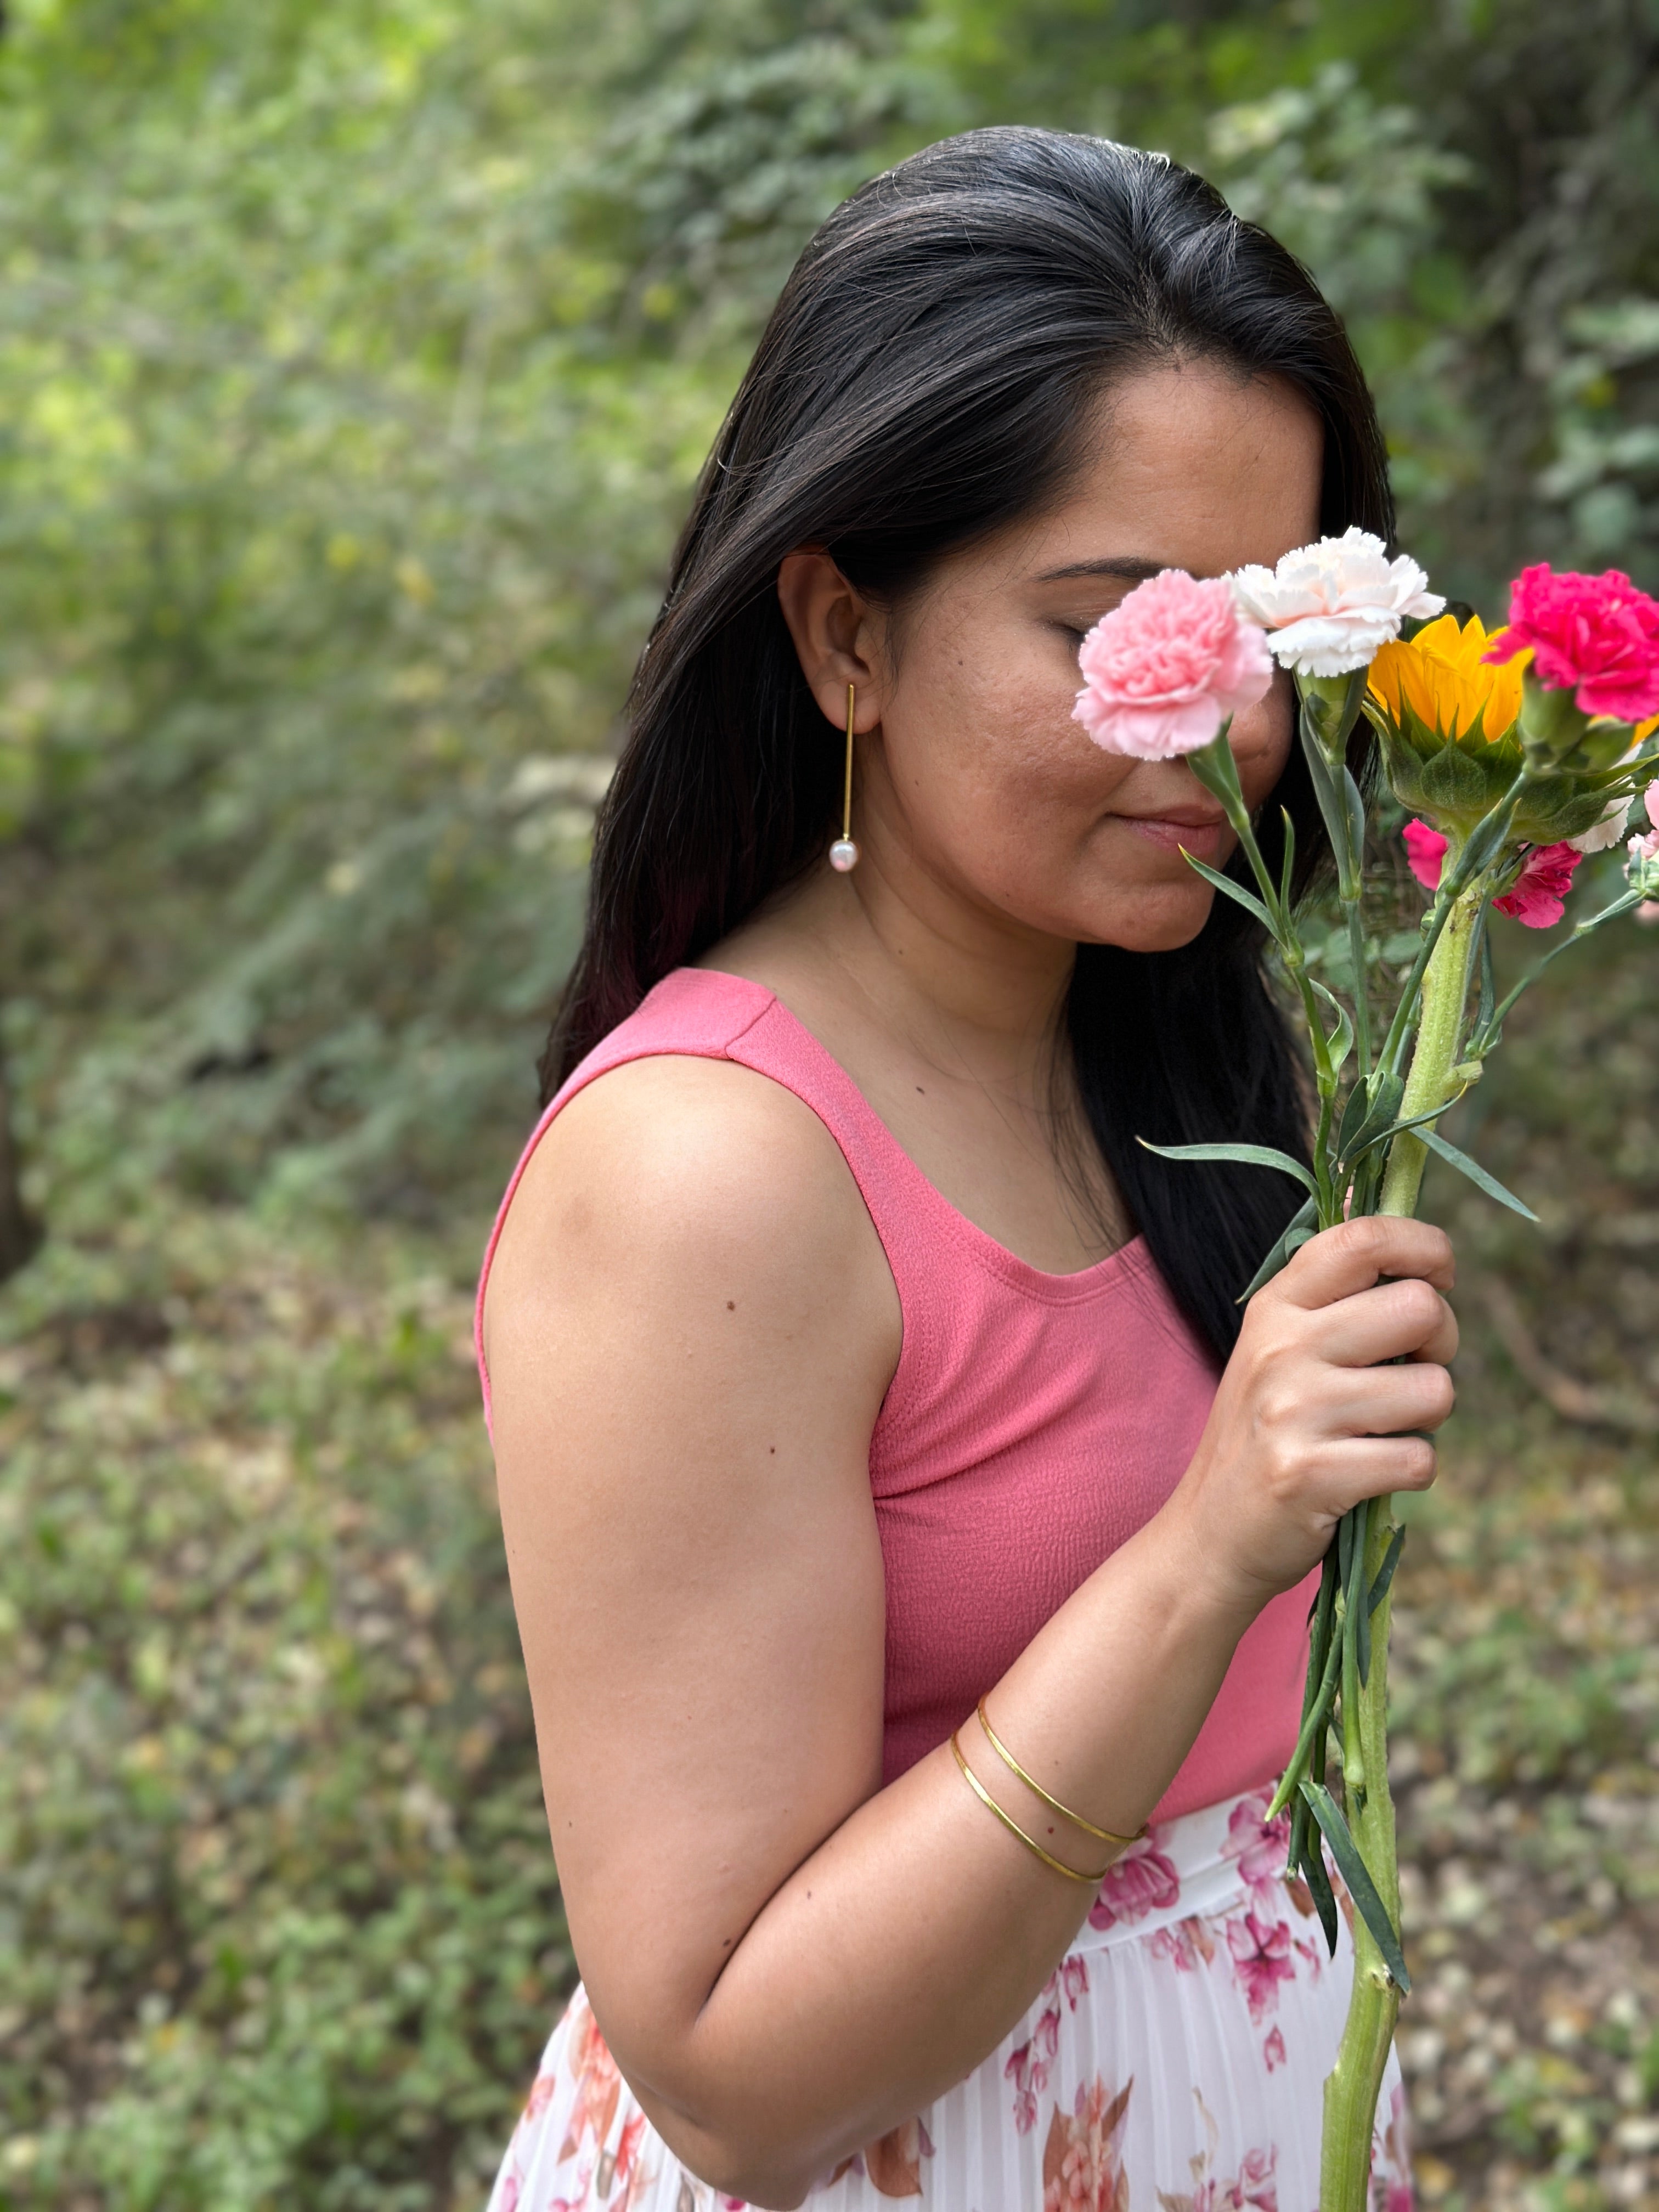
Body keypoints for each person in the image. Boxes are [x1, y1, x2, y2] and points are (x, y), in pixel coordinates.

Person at [476, 126, 1454, 2212]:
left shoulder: (1146, 1045)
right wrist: (1203, 1551)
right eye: (1114, 628)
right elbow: (733, 2080)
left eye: (1265, 638)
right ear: (845, 639)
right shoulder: (706, 1180)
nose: (1224, 729)